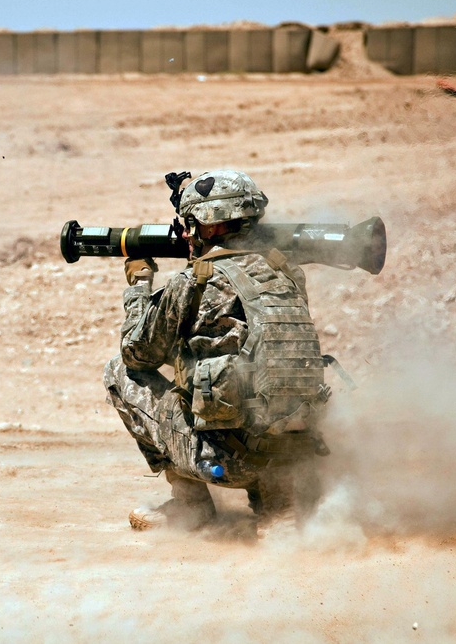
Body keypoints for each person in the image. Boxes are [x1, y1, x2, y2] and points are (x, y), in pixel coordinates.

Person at [103, 170, 330, 534]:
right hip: (293, 458)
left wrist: (139, 285)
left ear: (202, 227)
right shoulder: (286, 272)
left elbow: (138, 353)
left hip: (226, 462)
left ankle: (190, 507)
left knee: (120, 372)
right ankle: (279, 503)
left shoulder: (192, 283)